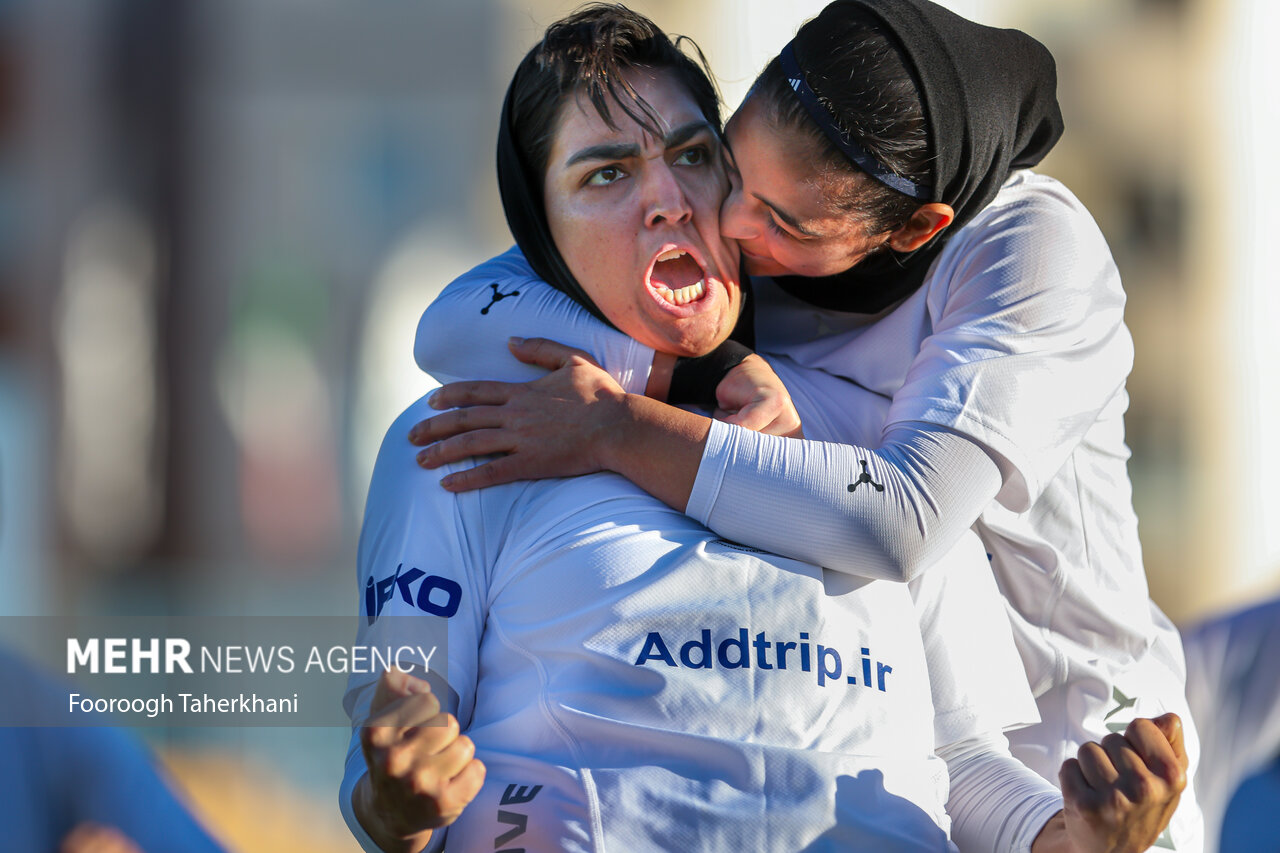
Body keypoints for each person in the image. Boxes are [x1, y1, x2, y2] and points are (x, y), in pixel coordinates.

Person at [343, 6, 1186, 853]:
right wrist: (395, 800)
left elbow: (959, 759)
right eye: (605, 174)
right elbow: (389, 745)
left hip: (1099, 716)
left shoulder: (885, 442)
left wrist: (1084, 842)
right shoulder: (465, 434)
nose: (688, 208)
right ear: (540, 237)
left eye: (693, 156)